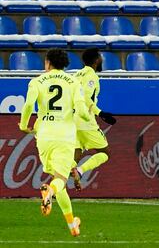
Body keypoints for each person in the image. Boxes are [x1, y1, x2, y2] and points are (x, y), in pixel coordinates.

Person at [19, 48, 89, 236]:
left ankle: (72, 226)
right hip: (65, 136)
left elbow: (28, 105)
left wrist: (23, 125)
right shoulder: (73, 82)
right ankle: (49, 191)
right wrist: (87, 117)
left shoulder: (37, 81)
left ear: (48, 63)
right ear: (64, 65)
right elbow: (81, 109)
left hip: (43, 136)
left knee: (59, 181)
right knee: (59, 181)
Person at [71, 48, 116, 191]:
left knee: (73, 159)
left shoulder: (76, 75)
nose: (102, 59)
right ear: (96, 60)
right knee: (105, 153)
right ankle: (80, 171)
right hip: (85, 120)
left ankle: (54, 190)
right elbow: (85, 97)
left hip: (71, 121)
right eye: (100, 57)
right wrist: (100, 113)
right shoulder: (91, 76)